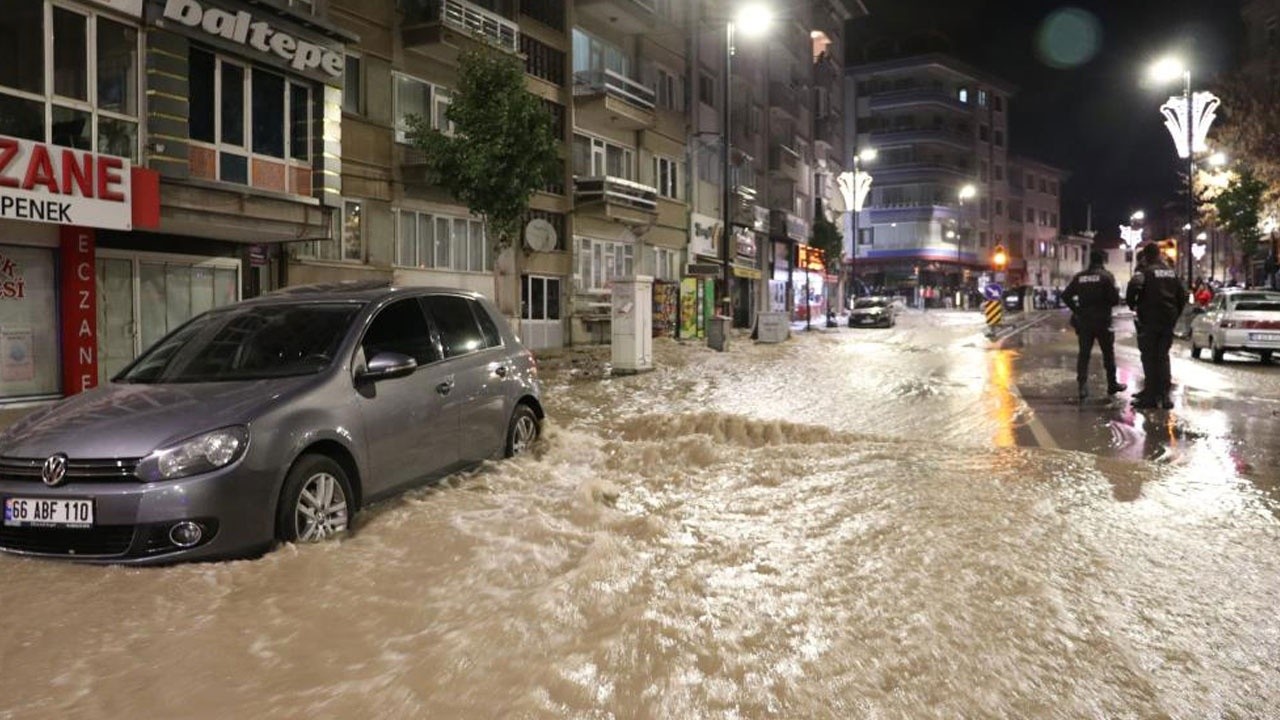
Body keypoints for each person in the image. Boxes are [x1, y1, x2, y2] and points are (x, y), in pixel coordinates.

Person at [1125, 243, 1187, 409]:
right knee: (1163, 356)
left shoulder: (1145, 272)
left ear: (1146, 256)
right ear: (1159, 254)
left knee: (1149, 356)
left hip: (1150, 319)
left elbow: (1132, 289)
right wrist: (1175, 314)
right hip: (1168, 319)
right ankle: (1164, 396)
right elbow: (1183, 295)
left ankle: (1151, 395)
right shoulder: (1171, 272)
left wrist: (1134, 306)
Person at [1063, 249, 1127, 400]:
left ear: (1090, 261)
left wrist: (1077, 310)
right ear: (1102, 261)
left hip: (1085, 321)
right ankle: (1112, 384)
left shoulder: (1080, 277)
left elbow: (1066, 295)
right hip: (1103, 320)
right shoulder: (1106, 277)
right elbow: (1114, 300)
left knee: (1084, 354)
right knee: (1108, 354)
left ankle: (1082, 387)